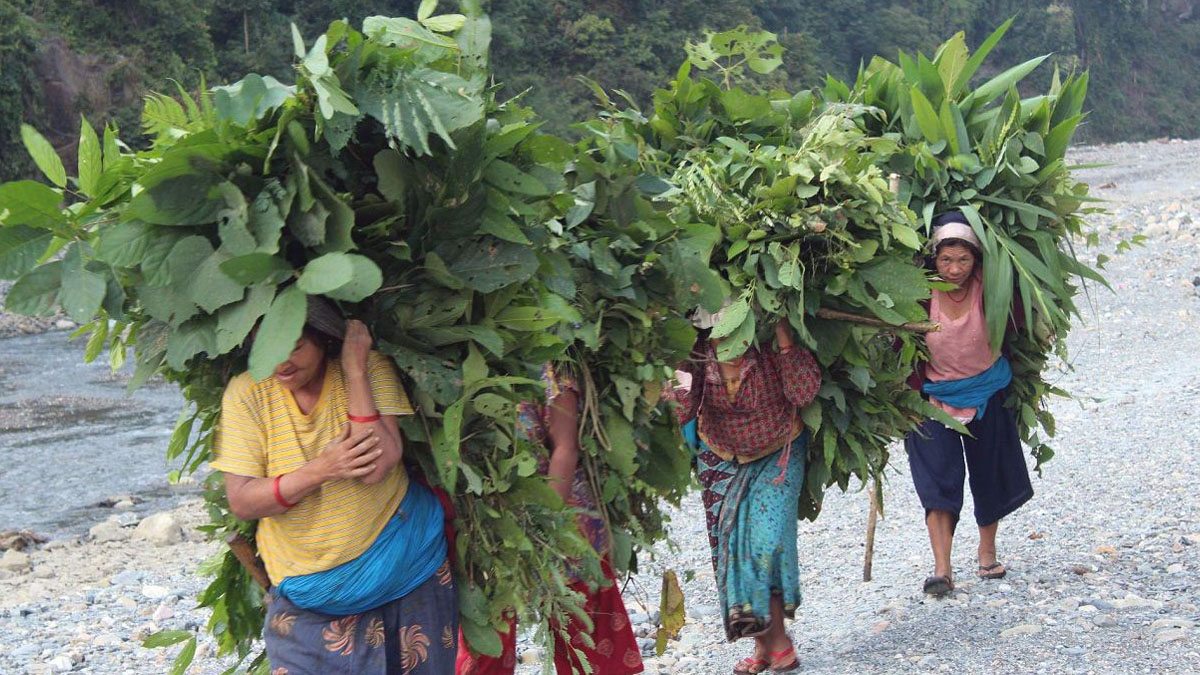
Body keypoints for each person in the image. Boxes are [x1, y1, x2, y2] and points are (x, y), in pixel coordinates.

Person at [210, 296, 456, 674]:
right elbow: (243, 500)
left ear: (324, 339)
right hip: (308, 588)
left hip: (404, 565)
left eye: (295, 345)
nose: (282, 362)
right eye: (268, 347)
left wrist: (355, 370)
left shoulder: (368, 369)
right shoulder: (246, 394)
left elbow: (375, 468)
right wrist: (322, 469)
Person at [456, 363, 643, 675]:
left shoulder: (552, 370)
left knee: (586, 639)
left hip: (564, 520)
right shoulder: (466, 363)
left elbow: (565, 450)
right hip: (490, 528)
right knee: (485, 639)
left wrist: (542, 528)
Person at [671, 316, 822, 675]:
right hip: (719, 455)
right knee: (732, 552)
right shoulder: (698, 352)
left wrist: (785, 338)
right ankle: (766, 645)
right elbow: (682, 410)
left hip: (777, 447)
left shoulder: (768, 343)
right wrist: (675, 370)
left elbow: (803, 393)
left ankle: (775, 640)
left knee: (766, 544)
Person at [905, 212, 1034, 597]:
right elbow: (899, 343)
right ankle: (942, 570)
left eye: (964, 260)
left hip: (987, 392)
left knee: (989, 471)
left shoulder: (992, 290)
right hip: (934, 398)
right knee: (937, 482)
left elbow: (1019, 318)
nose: (955, 269)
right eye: (946, 260)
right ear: (933, 261)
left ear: (977, 259)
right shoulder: (919, 293)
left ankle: (987, 552)